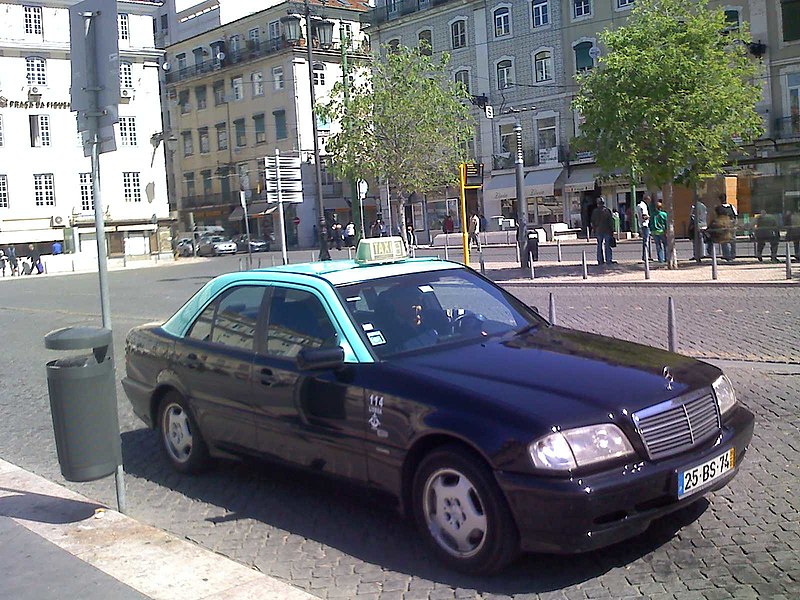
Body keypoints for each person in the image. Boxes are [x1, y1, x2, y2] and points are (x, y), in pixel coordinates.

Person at [590, 197, 615, 265]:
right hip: (607, 230)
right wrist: (612, 230)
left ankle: (600, 260)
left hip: (598, 230)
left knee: (599, 245)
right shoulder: (607, 211)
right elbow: (610, 222)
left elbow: (592, 222)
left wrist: (594, 229)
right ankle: (608, 260)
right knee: (607, 245)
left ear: (598, 204)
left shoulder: (595, 211)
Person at [719, 194, 738, 260]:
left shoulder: (719, 208)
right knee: (732, 240)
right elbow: (735, 216)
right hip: (732, 225)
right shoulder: (731, 206)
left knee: (724, 241)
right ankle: (733, 255)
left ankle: (726, 255)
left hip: (724, 226)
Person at [636, 194, 651, 261]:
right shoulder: (643, 206)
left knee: (645, 241)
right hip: (645, 225)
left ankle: (645, 256)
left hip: (641, 225)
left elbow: (636, 216)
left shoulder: (638, 206)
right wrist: (650, 217)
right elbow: (644, 216)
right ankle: (646, 256)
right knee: (646, 241)